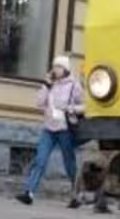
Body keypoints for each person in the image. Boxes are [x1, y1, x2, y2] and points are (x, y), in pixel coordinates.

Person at [16, 55, 85, 206]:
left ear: (65, 69)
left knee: (69, 164)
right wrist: (46, 86)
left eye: (59, 67)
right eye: (54, 66)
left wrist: (70, 108)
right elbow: (39, 103)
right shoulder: (50, 84)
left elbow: (85, 106)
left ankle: (76, 196)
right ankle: (29, 193)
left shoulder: (74, 85)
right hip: (49, 129)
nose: (55, 69)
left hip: (65, 129)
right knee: (40, 160)